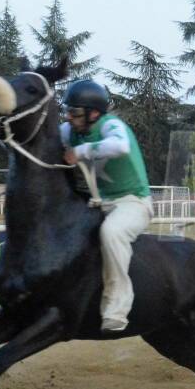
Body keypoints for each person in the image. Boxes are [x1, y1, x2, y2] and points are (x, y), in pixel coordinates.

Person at [61, 80, 152, 332]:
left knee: (111, 232)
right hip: (99, 202)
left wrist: (80, 152)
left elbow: (120, 146)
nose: (69, 118)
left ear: (94, 113)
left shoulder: (111, 125)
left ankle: (118, 308)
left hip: (133, 202)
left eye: (75, 113)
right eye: (67, 111)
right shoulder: (71, 129)